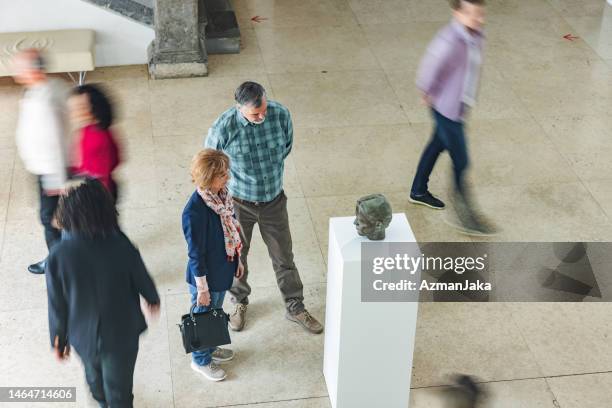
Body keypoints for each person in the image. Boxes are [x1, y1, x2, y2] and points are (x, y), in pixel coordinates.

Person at [205, 81, 323, 335]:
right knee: (236, 257)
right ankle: (239, 302)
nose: (262, 116)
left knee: (284, 257)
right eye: (255, 114)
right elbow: (209, 165)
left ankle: (295, 306)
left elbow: (286, 147)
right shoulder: (223, 127)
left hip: (274, 201)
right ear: (239, 108)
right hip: (239, 204)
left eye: (264, 109)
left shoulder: (280, 114)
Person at [45, 178, 160, 407]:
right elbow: (139, 274)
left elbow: (56, 304)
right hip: (122, 333)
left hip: (82, 335)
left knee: (93, 376)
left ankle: (100, 401)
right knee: (120, 386)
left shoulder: (58, 256)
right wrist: (151, 297)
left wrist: (58, 339)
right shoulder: (119, 243)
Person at [408, 0, 495, 236]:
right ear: (457, 13)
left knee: (436, 145)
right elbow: (428, 68)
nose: (479, 19)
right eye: (472, 14)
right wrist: (427, 92)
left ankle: (417, 190)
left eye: (480, 14)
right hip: (446, 110)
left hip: (458, 106)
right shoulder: (448, 42)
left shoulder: (475, 35)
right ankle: (464, 216)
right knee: (462, 161)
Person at [182, 149, 244, 382]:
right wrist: (203, 289)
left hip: (222, 269)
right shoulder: (194, 212)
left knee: (214, 314)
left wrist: (237, 260)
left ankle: (209, 348)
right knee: (203, 317)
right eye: (221, 175)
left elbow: (231, 230)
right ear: (207, 178)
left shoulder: (222, 196)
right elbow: (195, 255)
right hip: (206, 278)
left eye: (226, 172)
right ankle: (200, 361)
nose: (227, 177)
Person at [12, 49, 70, 274]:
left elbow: (56, 139)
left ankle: (58, 263)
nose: (16, 71)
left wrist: (57, 180)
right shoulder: (49, 88)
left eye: (20, 67)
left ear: (32, 70)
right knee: (55, 217)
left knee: (50, 218)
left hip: (50, 170)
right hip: (43, 166)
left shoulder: (44, 100)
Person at [69, 84, 121, 201]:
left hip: (96, 199)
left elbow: (97, 177)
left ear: (92, 110)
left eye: (78, 108)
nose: (73, 112)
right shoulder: (95, 129)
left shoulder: (96, 138)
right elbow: (116, 158)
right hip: (103, 191)